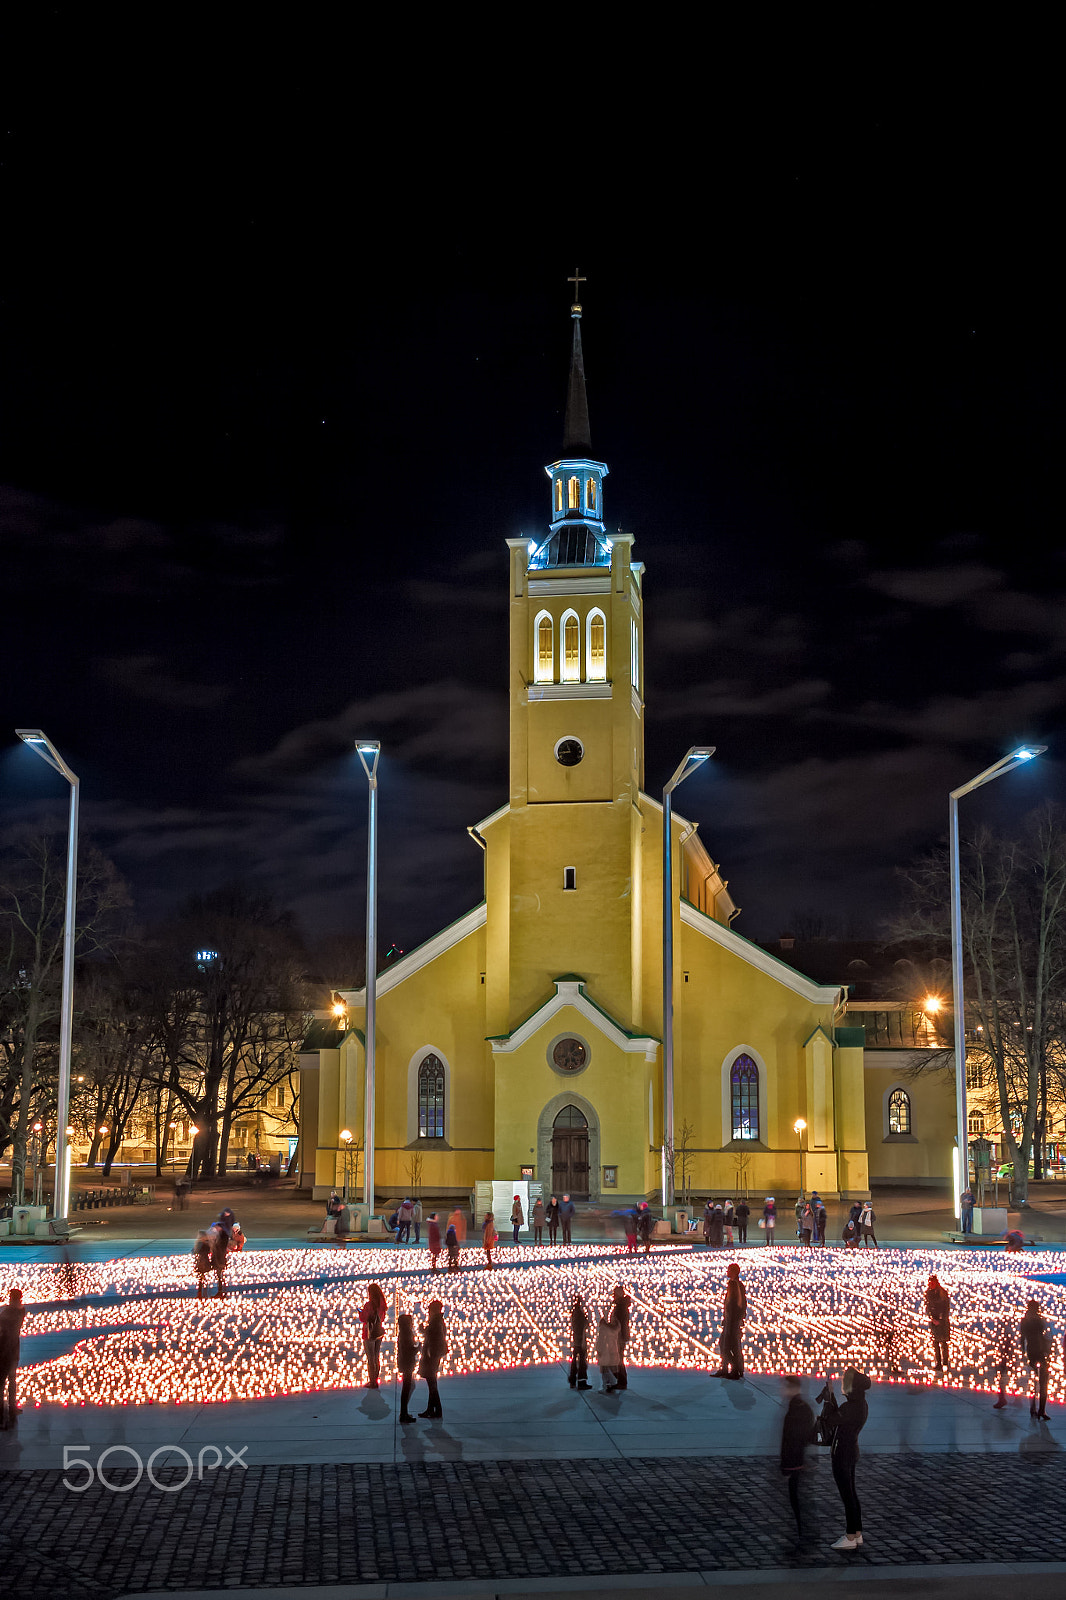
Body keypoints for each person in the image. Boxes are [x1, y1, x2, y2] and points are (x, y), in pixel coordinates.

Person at [830, 1367, 871, 1551]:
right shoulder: (861, 1404)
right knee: (852, 1494)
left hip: (842, 1454)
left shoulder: (849, 1408)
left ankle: (849, 1536)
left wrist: (830, 1399)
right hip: (852, 1452)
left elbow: (830, 1420)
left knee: (847, 1496)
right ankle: (857, 1533)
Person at [780, 1376, 817, 1542]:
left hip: (796, 1463)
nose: (782, 1391)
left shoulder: (796, 1411)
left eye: (786, 1387)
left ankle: (804, 1531)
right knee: (800, 1497)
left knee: (798, 1498)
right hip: (800, 1462)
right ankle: (804, 1529)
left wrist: (788, 1465)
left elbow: (791, 1440)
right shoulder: (801, 1407)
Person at [0, 1289, 27, 1429]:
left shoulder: (6, 1313)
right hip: (13, 1350)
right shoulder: (21, 1311)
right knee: (11, 1381)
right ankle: (11, 1408)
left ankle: (2, 1414)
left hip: (4, 1350)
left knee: (2, 1383)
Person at [1021, 1297, 1051, 1420]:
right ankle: (1041, 1410)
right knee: (1043, 1383)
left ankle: (1034, 1409)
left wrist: (1023, 1352)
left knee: (1033, 1382)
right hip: (1040, 1352)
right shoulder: (1039, 1320)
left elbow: (1022, 1338)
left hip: (1032, 1352)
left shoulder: (1025, 1321)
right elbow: (1046, 1336)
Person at [717, 1262, 747, 1379]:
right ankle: (726, 1368)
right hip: (729, 1320)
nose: (727, 1272)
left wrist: (738, 1319)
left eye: (729, 1270)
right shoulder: (733, 1284)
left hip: (733, 1321)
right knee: (725, 1343)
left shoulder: (736, 1285)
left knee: (730, 1345)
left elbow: (740, 1303)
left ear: (734, 1272)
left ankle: (735, 1369)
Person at [419, 1298, 447, 1418]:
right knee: (432, 1382)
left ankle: (437, 1410)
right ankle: (431, 1409)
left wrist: (422, 1330)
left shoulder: (436, 1322)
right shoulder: (438, 1321)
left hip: (432, 1355)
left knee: (432, 1382)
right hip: (434, 1353)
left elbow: (432, 1336)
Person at [360, 1282, 387, 1388]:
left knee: (370, 1358)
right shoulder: (382, 1305)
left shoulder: (369, 1305)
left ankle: (372, 1381)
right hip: (379, 1332)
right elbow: (383, 1318)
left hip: (369, 1333)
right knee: (376, 1357)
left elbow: (363, 1318)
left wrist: (361, 1312)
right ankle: (375, 1379)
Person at [396, 1312, 421, 1422]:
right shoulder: (407, 1333)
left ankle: (404, 1412)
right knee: (407, 1387)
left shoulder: (402, 1333)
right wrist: (419, 1347)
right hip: (407, 1363)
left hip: (404, 1362)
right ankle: (404, 1413)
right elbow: (409, 1350)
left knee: (408, 1386)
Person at [924, 1274, 950, 1372]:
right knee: (935, 1343)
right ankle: (938, 1363)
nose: (931, 1285)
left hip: (942, 1322)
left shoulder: (942, 1293)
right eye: (930, 1283)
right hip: (934, 1321)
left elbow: (945, 1307)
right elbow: (928, 1307)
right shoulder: (928, 1293)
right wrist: (931, 1318)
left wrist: (940, 1319)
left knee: (943, 1343)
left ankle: (945, 1363)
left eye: (933, 1283)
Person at [610, 1285, 632, 1389]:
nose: (613, 1296)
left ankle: (621, 1382)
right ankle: (620, 1381)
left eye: (615, 1294)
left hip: (619, 1337)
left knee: (618, 1359)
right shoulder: (621, 1306)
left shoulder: (620, 1308)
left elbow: (618, 1323)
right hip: (619, 1336)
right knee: (618, 1359)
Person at [569, 1294, 591, 1388]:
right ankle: (581, 1381)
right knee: (582, 1361)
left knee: (575, 1360)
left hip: (576, 1339)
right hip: (580, 1340)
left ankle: (573, 1380)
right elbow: (583, 1325)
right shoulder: (579, 1313)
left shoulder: (575, 1312)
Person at [596, 1310, 620, 1392]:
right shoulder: (616, 1328)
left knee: (604, 1369)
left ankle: (608, 1385)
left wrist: (598, 1349)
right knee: (611, 1369)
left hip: (605, 1351)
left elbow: (601, 1340)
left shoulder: (604, 1328)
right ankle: (610, 1385)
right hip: (613, 1349)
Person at [193, 1229, 212, 1300]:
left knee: (201, 1277)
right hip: (204, 1261)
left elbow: (196, 1251)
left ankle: (201, 1292)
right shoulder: (207, 1243)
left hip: (202, 1261)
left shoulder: (200, 1243)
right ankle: (203, 1292)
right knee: (202, 1277)